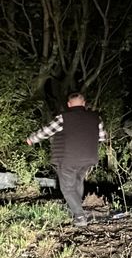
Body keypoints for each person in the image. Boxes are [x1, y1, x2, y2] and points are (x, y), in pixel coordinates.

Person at [26, 92, 106, 227]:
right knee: (77, 182)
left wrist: (31, 139)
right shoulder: (95, 118)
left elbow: (46, 132)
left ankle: (80, 217)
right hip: (88, 158)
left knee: (68, 188)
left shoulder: (64, 118)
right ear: (84, 103)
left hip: (68, 158)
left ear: (69, 105)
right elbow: (102, 137)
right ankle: (76, 210)